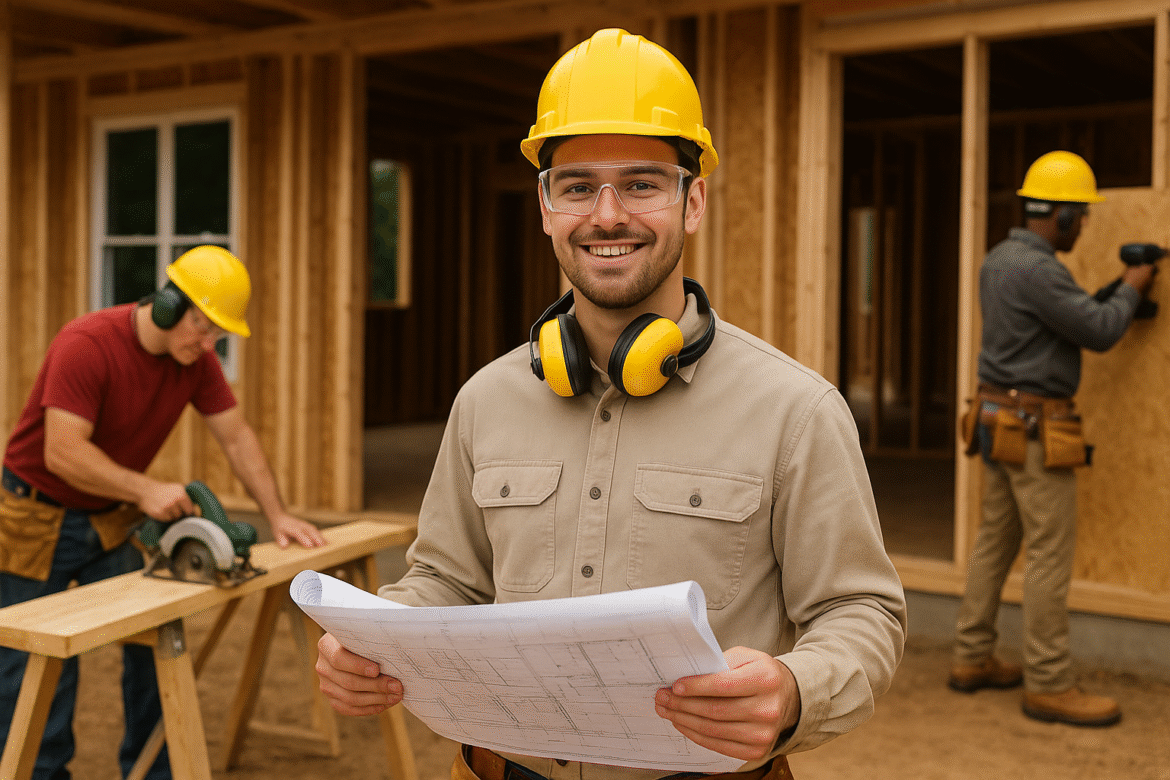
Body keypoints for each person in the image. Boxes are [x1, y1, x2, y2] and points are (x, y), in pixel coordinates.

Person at [316, 28, 906, 780]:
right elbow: (449, 581)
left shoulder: (795, 410)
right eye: (576, 185)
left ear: (692, 202)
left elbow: (863, 615)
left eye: (641, 183)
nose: (605, 214)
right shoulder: (485, 401)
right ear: (545, 208)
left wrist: (795, 689)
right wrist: (376, 638)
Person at [0, 244, 326, 780]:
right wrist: (145, 489)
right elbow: (63, 452)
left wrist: (279, 514)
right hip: (34, 517)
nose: (208, 344)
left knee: (154, 645)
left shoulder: (193, 361)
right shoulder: (86, 343)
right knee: (38, 667)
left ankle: (152, 772)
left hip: (110, 518)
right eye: (203, 327)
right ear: (169, 304)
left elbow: (237, 436)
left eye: (219, 335)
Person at [950, 150, 1156, 727]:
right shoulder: (1040, 270)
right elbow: (1099, 329)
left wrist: (1120, 290)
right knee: (1048, 553)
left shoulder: (1001, 259)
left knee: (995, 541)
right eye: (1081, 216)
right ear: (1060, 217)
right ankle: (1048, 683)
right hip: (1035, 429)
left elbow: (1068, 316)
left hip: (996, 421)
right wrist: (1134, 286)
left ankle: (971, 655)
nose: (1085, 225)